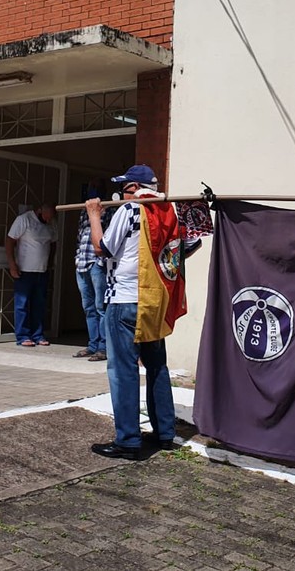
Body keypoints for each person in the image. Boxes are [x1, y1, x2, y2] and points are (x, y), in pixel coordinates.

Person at [85, 164, 196, 460]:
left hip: (124, 299)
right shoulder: (168, 210)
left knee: (123, 371)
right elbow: (189, 246)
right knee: (157, 367)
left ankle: (128, 441)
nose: (121, 193)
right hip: (155, 300)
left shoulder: (131, 209)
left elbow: (102, 248)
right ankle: (165, 434)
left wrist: (94, 215)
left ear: (134, 187)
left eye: (124, 187)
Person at [5, 202, 57, 347]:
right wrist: (12, 264)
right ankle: (22, 336)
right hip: (25, 270)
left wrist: (51, 262)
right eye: (46, 217)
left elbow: (53, 243)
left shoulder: (51, 223)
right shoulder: (24, 220)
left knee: (39, 304)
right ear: (39, 210)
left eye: (50, 218)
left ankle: (38, 334)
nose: (47, 221)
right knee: (22, 304)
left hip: (42, 270)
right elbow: (10, 241)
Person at [73, 184, 108, 362]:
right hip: (82, 262)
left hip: (97, 262)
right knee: (88, 307)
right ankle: (93, 344)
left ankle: (103, 347)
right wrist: (77, 256)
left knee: (101, 306)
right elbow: (80, 235)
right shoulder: (83, 213)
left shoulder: (108, 212)